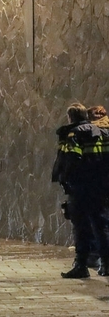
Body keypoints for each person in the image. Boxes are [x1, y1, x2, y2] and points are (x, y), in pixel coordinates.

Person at [52, 103, 109, 278]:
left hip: (81, 187)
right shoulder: (102, 133)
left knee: (82, 227)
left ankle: (81, 265)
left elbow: (71, 160)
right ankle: (106, 265)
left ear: (71, 118)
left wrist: (65, 180)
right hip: (100, 186)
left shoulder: (74, 134)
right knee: (101, 225)